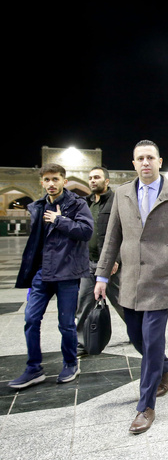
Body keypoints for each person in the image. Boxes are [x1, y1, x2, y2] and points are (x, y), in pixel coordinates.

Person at [94, 140, 168, 434]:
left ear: (159, 161)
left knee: (152, 340)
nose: (145, 162)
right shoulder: (122, 193)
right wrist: (102, 276)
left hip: (161, 279)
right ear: (133, 164)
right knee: (136, 338)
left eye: (150, 158)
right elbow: (112, 237)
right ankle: (166, 366)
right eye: (140, 158)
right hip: (129, 280)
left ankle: (145, 406)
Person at [10, 163, 93, 388]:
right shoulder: (37, 206)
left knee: (66, 323)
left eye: (55, 179)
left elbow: (86, 232)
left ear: (64, 181)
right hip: (42, 273)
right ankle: (33, 368)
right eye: (46, 180)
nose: (51, 184)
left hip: (67, 273)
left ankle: (70, 363)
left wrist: (59, 220)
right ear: (42, 182)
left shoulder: (78, 204)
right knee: (31, 319)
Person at [76, 167, 125, 355]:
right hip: (88, 263)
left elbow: (125, 233)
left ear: (107, 181)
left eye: (97, 177)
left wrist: (117, 259)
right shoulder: (85, 204)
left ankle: (139, 334)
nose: (92, 181)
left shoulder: (117, 202)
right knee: (84, 303)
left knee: (123, 303)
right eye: (90, 178)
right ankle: (82, 343)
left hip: (111, 264)